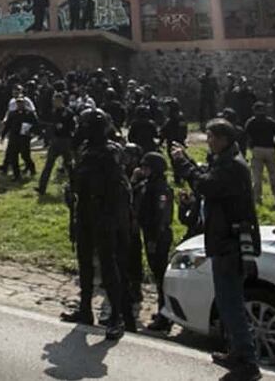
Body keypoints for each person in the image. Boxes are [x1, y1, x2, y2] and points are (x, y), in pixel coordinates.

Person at [171, 120, 262, 381]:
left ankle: (248, 362)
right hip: (221, 241)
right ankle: (237, 351)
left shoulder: (233, 166)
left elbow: (207, 185)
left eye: (210, 136)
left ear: (223, 138)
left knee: (231, 303)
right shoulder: (224, 161)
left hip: (230, 244)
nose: (208, 140)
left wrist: (182, 162)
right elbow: (208, 183)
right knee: (225, 302)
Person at [61, 108, 136, 340]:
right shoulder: (86, 151)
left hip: (106, 215)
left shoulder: (109, 153)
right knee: (84, 262)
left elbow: (112, 188)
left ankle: (117, 317)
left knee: (108, 264)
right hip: (85, 213)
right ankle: (85, 309)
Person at [134, 152, 174, 332]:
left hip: (158, 236)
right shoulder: (147, 185)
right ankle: (163, 311)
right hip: (149, 233)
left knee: (161, 276)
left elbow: (161, 216)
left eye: (147, 168)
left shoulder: (160, 189)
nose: (143, 170)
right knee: (158, 274)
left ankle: (165, 316)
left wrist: (155, 239)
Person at [244, 101, 275, 211]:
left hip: (257, 149)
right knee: (274, 177)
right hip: (270, 149)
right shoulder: (271, 122)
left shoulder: (251, 122)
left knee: (257, 177)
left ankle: (257, 199)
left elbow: (247, 137)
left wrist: (250, 148)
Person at [36, 92, 74, 195]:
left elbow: (72, 128)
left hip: (65, 141)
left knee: (69, 166)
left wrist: (63, 127)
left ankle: (74, 187)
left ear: (60, 101)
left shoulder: (68, 112)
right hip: (55, 141)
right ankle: (41, 188)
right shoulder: (54, 112)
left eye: (55, 101)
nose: (54, 102)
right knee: (48, 165)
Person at [0, 90, 37, 181]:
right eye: (18, 103)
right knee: (13, 157)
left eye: (21, 103)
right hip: (14, 138)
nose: (19, 105)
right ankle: (17, 175)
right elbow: (8, 126)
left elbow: (36, 124)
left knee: (25, 155)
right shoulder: (13, 114)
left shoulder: (29, 114)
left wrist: (31, 131)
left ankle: (32, 169)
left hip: (24, 138)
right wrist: (3, 136)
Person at [197, 66, 219, 131]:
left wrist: (218, 91)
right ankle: (202, 124)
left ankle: (213, 124)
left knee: (212, 111)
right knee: (202, 111)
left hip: (211, 97)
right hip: (204, 97)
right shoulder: (204, 77)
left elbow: (216, 87)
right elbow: (199, 79)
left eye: (209, 71)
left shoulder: (213, 79)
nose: (208, 72)